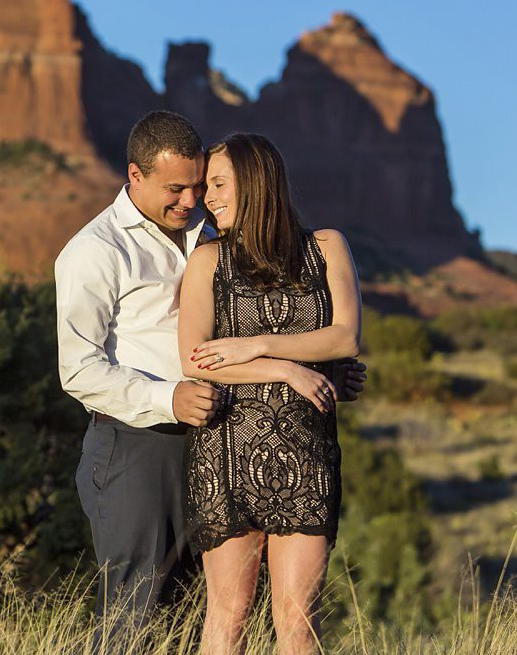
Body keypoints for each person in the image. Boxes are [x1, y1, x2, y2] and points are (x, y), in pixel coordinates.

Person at [55, 113, 365, 643]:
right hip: (137, 442)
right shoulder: (97, 250)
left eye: (200, 186)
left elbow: (270, 315)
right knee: (138, 609)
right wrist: (169, 397)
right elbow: (77, 368)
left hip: (211, 439)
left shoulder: (207, 231)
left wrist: (322, 368)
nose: (190, 200)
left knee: (194, 612)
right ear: (135, 175)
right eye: (176, 189)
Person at [177, 133, 362, 655]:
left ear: (257, 183)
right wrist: (286, 367)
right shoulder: (208, 261)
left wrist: (254, 345)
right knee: (228, 614)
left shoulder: (326, 247)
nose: (206, 198)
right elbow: (196, 360)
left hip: (307, 457)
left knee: (297, 620)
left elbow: (345, 336)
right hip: (226, 454)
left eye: (217, 184)